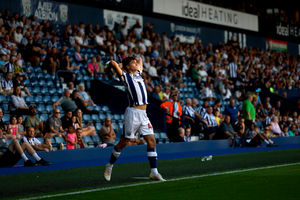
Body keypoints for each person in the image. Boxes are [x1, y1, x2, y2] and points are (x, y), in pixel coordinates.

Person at [104, 57, 165, 182]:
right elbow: (112, 63)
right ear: (127, 66)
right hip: (133, 113)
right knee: (125, 142)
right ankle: (109, 165)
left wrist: (134, 61)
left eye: (136, 63)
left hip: (144, 114)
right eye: (133, 63)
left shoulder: (138, 73)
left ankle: (154, 172)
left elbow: (140, 58)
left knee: (152, 141)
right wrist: (120, 65)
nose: (136, 64)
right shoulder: (125, 76)